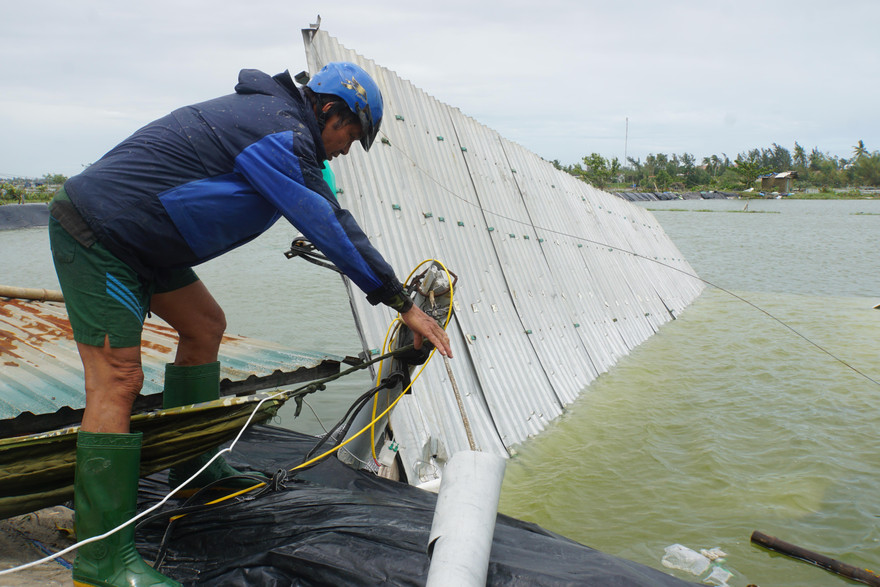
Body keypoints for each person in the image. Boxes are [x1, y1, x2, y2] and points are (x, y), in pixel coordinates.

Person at [48, 61, 452, 587]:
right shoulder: (277, 131)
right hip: (101, 234)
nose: (347, 149)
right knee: (118, 378)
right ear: (330, 110)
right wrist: (402, 302)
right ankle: (102, 562)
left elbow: (318, 205)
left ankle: (194, 469)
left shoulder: (276, 122)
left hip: (144, 240)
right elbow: (327, 222)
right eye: (351, 135)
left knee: (205, 325)